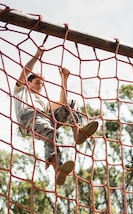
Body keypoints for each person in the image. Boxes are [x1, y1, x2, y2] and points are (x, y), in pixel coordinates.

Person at [14, 46, 99, 185]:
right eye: (37, 82)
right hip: (28, 117)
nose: (40, 85)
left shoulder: (44, 102)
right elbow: (25, 71)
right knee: (50, 131)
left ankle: (78, 131)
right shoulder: (21, 90)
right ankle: (57, 168)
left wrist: (64, 78)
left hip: (43, 117)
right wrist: (37, 55)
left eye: (42, 84)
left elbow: (62, 102)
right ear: (28, 83)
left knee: (70, 104)